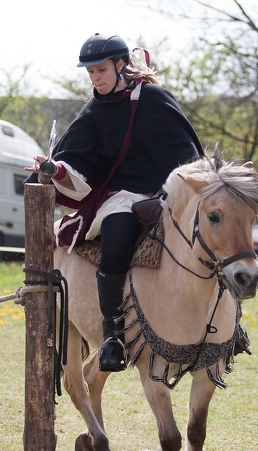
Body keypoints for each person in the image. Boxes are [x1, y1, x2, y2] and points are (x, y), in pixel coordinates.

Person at [25, 33, 205, 372]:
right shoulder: (94, 111)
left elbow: (188, 153)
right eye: (90, 72)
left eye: (101, 70)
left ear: (122, 65)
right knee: (117, 236)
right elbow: (73, 162)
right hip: (121, 199)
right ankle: (113, 336)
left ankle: (229, 327)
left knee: (211, 236)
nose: (95, 78)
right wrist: (53, 169)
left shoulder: (155, 98)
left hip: (169, 193)